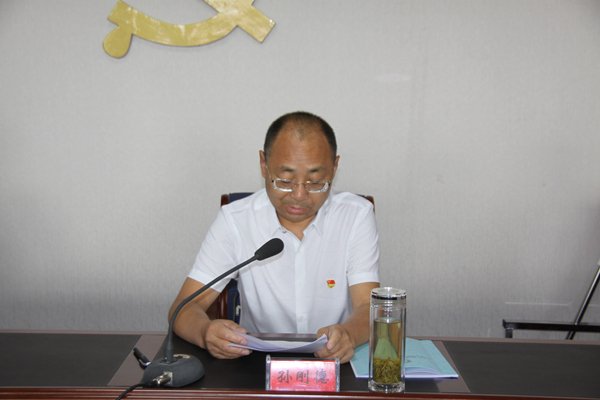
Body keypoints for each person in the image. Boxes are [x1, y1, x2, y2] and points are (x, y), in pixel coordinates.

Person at [169, 111, 379, 363]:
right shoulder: (236, 220)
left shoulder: (356, 215)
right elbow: (182, 308)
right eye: (285, 180)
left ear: (334, 168)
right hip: (255, 365)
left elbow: (369, 308)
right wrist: (205, 332)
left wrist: (349, 336)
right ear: (263, 164)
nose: (299, 195)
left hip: (333, 362)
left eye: (315, 181)